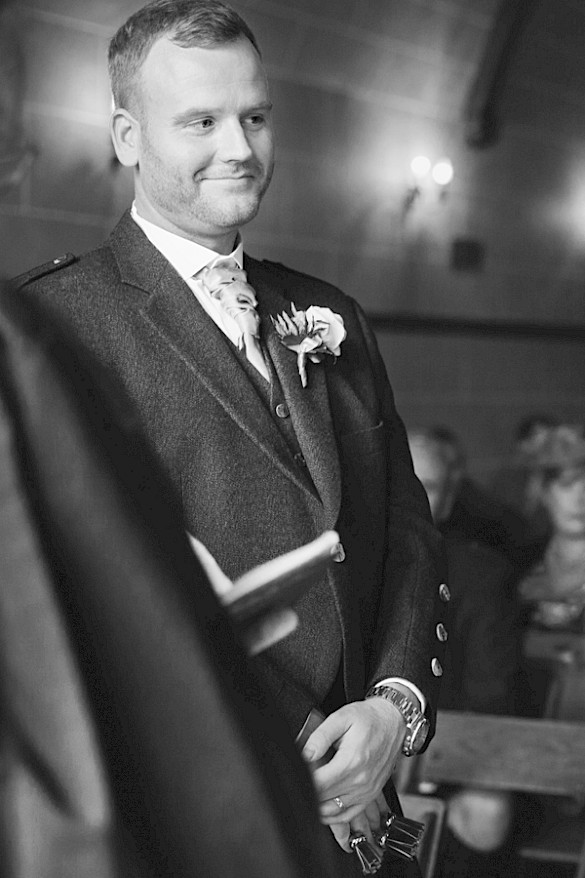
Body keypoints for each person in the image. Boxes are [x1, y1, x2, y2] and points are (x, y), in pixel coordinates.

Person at [15, 2, 446, 872]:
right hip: (196, 812)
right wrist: (292, 737)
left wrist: (391, 706)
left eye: (253, 116)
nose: (240, 148)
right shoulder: (51, 327)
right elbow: (81, 592)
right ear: (128, 136)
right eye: (201, 122)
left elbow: (403, 527)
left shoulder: (332, 314)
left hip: (365, 809)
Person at [407, 428, 523, 878]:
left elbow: (490, 697)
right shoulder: (339, 561)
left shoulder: (482, 576)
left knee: (487, 815)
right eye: (406, 482)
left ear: (450, 500)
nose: (415, 497)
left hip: (440, 754)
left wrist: (423, 764)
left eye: (430, 486)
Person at [518, 423, 585, 721]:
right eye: (567, 484)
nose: (581, 500)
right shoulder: (521, 561)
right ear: (544, 491)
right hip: (526, 723)